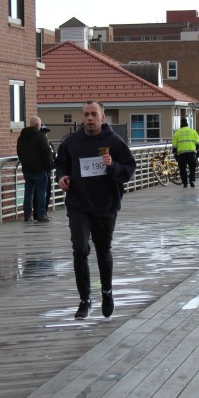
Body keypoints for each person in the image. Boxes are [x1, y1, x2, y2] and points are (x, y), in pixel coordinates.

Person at [55, 101, 136, 319]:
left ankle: (107, 293)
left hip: (105, 205)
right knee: (80, 250)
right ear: (82, 117)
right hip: (78, 205)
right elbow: (61, 164)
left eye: (93, 114)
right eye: (86, 115)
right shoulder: (71, 142)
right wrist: (61, 177)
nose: (89, 118)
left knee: (103, 250)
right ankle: (85, 300)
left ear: (102, 117)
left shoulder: (114, 142)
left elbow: (129, 171)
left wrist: (112, 166)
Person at [16, 116, 53, 222]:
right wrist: (49, 165)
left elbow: (19, 152)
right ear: (37, 125)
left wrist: (24, 164)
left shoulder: (21, 137)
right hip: (40, 169)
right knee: (41, 191)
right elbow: (46, 153)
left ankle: (27, 215)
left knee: (28, 192)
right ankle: (41, 214)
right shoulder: (40, 136)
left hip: (27, 169)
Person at [171, 118, 199, 188]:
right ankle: (191, 179)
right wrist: (198, 152)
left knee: (182, 168)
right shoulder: (193, 132)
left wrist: (175, 155)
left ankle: (185, 183)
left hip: (181, 154)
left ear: (180, 125)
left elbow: (174, 146)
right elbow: (197, 143)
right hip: (191, 152)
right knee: (192, 167)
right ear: (187, 124)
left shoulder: (177, 133)